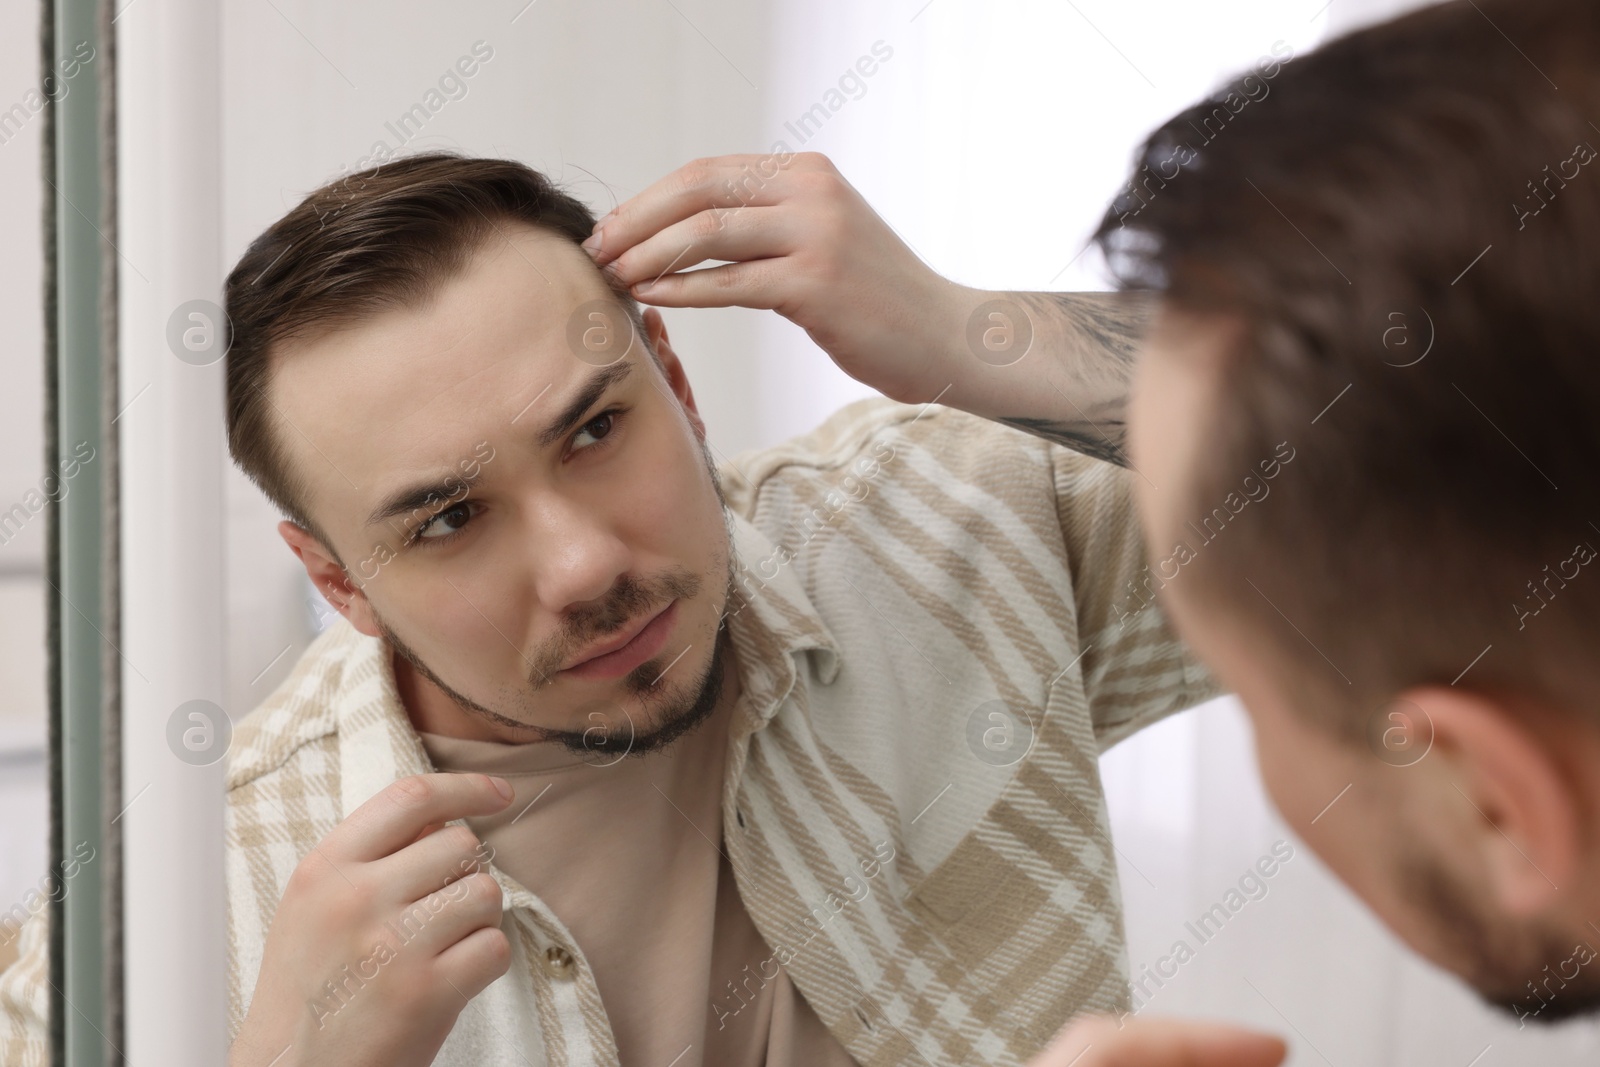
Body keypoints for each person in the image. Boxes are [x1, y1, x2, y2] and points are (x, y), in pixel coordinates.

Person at [0, 151, 1216, 1065]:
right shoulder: (166, 919)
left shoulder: (945, 528)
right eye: (448, 519)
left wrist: (976, 334)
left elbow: (1396, 441)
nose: (583, 564)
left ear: (675, 383)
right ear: (337, 582)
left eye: (594, 429)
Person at [589, 0, 1600, 1063]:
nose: (579, 563)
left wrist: (955, 327)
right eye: (449, 515)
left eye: (1240, 685)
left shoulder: (914, 525)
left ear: (1494, 804)